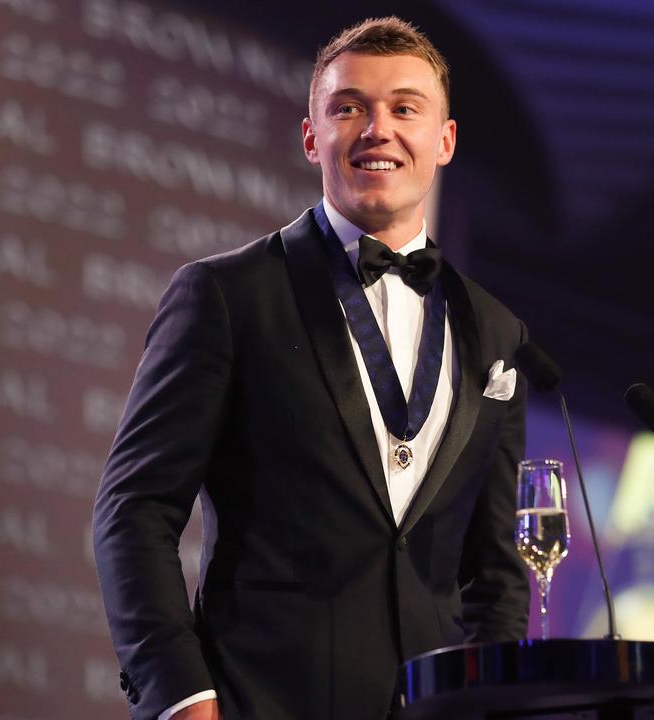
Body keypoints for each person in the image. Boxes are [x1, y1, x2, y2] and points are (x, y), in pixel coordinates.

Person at [93, 16, 529, 720]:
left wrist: (493, 704)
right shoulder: (228, 295)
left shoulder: (500, 332)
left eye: (405, 108)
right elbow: (134, 512)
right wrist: (182, 697)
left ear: (444, 140)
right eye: (349, 107)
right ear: (310, 136)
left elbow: (496, 572)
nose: (377, 128)